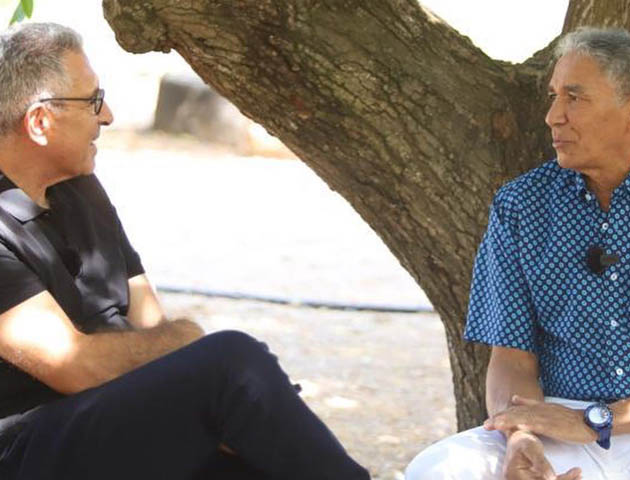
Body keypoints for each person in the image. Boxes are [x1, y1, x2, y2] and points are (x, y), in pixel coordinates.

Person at [0, 22, 370, 480]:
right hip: (30, 452)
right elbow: (78, 367)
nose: (108, 116)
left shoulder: (81, 187)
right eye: (93, 100)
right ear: (40, 122)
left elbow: (149, 319)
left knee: (257, 448)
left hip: (115, 419)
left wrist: (188, 370)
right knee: (232, 362)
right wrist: (186, 345)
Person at [406, 27, 630, 480]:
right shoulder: (523, 204)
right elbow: (511, 358)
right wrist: (521, 438)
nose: (553, 117)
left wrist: (594, 421)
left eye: (575, 98)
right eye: (554, 97)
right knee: (439, 470)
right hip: (554, 422)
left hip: (605, 421)